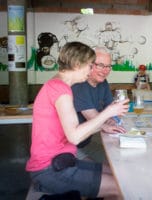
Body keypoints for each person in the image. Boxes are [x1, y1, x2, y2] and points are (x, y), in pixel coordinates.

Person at [26, 41, 128, 199]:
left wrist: (102, 127)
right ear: (77, 64)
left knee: (118, 175)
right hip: (49, 169)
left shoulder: (58, 85)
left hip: (62, 160)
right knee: (119, 187)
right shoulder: (60, 90)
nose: (90, 70)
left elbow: (72, 131)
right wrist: (108, 112)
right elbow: (74, 136)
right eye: (89, 65)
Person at [72, 46, 125, 162]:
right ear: (88, 64)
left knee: (118, 161)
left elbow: (111, 110)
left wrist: (112, 118)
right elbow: (94, 118)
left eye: (108, 66)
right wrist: (106, 122)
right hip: (68, 148)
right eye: (100, 65)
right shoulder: (79, 85)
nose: (105, 70)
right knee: (112, 166)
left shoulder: (102, 82)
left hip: (84, 144)